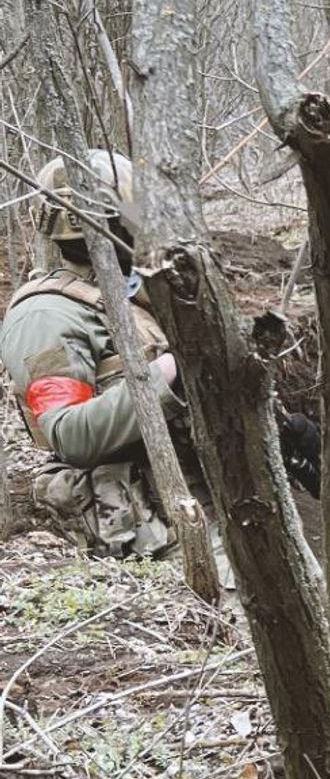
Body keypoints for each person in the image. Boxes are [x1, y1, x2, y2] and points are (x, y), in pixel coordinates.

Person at [1, 151, 182, 557]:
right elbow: (69, 435)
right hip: (139, 515)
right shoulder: (45, 315)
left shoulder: (135, 289)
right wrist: (169, 373)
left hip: (189, 488)